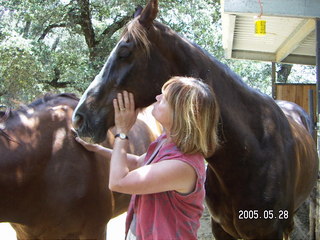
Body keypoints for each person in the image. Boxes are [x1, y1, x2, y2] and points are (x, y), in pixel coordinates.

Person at [76, 76, 220, 240]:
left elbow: (118, 182)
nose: (157, 97)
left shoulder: (183, 166)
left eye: (164, 99)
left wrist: (122, 132)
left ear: (181, 114)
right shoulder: (166, 141)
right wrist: (98, 149)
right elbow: (139, 163)